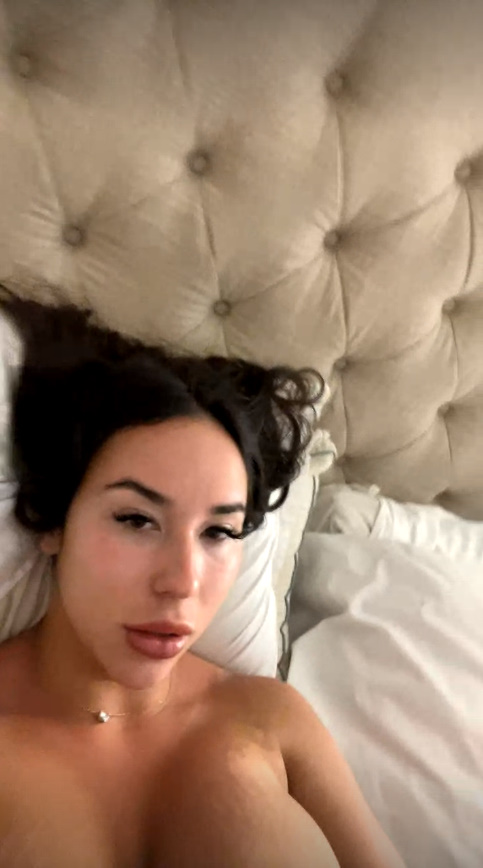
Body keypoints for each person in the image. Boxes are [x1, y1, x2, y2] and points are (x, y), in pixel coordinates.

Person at [0, 297, 405, 868]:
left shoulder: (269, 716)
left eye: (219, 532)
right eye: (136, 520)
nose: (183, 581)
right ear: (53, 521)